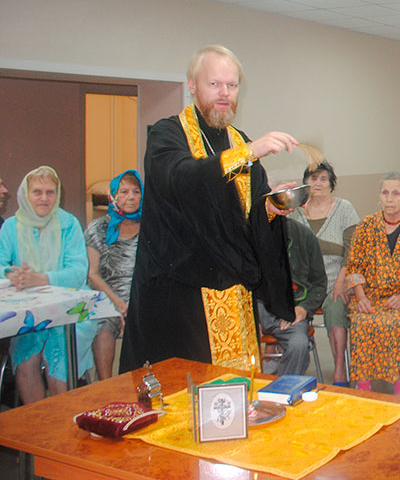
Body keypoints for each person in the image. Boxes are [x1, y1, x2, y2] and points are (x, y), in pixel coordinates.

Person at [119, 45, 299, 373]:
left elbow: (245, 212)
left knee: (237, 386)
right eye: (214, 84)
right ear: (192, 85)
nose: (224, 93)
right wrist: (249, 153)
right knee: (186, 386)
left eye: (232, 85)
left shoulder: (238, 139)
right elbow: (182, 178)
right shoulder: (168, 133)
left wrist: (271, 207)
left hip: (233, 288)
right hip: (181, 293)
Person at [0, 166, 98, 403]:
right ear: (26, 194)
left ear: (57, 194)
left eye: (50, 192)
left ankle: (61, 421)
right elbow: (1, 265)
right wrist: (12, 276)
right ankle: (38, 421)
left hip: (70, 310)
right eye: (37, 192)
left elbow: (78, 272)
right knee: (26, 360)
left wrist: (43, 279)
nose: (44, 198)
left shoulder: (69, 224)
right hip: (27, 310)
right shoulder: (11, 226)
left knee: (57, 357)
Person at [344, 172, 400, 393]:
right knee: (362, 321)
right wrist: (361, 297)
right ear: (379, 196)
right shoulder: (365, 226)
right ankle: (363, 385)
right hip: (371, 296)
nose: (390, 199)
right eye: (385, 193)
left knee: (396, 322)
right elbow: (354, 267)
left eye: (396, 194)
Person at [289, 160, 358, 384]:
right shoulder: (294, 212)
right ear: (305, 182)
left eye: (323, 179)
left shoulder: (344, 209)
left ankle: (339, 369)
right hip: (301, 285)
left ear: (331, 184)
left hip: (334, 282)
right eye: (312, 178)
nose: (317, 183)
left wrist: (341, 282)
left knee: (336, 305)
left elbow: (352, 250)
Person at [84, 169, 142, 380]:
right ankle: (106, 387)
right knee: (103, 326)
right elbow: (92, 275)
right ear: (114, 196)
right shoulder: (98, 228)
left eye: (136, 192)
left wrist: (133, 304)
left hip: (141, 295)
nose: (131, 197)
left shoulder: (151, 227)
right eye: (124, 192)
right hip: (106, 297)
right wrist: (118, 304)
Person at [258, 218, 326, 376]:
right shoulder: (248, 233)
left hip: (292, 308)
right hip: (259, 307)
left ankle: (285, 387)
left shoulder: (304, 235)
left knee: (298, 344)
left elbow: (319, 283)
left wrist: (304, 308)